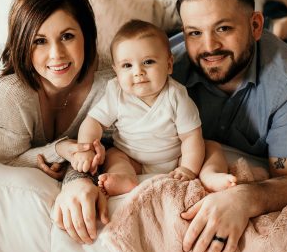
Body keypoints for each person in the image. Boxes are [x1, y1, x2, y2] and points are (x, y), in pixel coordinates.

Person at [54, 0, 287, 252]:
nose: (209, 47)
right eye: (194, 33)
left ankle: (281, 13)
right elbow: (96, 136)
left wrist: (245, 198)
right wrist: (77, 179)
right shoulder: (153, 66)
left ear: (255, 25)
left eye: (224, 28)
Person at [72, 20, 234, 197]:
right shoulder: (116, 93)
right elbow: (93, 122)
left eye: (148, 62)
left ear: (169, 65)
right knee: (114, 155)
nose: (138, 72)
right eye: (127, 65)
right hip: (132, 158)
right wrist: (86, 148)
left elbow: (190, 137)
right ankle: (125, 178)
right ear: (116, 71)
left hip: (177, 158)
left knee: (211, 148)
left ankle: (210, 175)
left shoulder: (176, 95)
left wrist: (187, 168)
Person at [0, 0, 112, 182]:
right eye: (40, 41)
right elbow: (3, 161)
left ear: (86, 35)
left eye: (67, 36)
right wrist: (60, 149)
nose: (56, 54)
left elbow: (122, 144)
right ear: (24, 43)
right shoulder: (8, 93)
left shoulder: (110, 79)